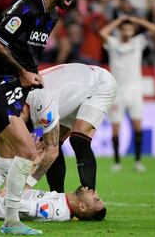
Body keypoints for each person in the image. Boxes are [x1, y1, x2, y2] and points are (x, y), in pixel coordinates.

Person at [0, 0, 81, 235]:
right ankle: (11, 221)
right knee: (28, 152)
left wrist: (31, 75)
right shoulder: (28, 7)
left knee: (6, 161)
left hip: (12, 89)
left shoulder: (51, 16)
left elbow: (26, 52)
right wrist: (23, 73)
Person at [21, 63, 117, 194]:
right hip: (72, 89)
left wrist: (26, 185)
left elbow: (51, 152)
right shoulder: (21, 95)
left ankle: (89, 200)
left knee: (78, 140)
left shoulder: (42, 101)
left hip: (99, 84)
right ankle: (57, 198)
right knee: (48, 144)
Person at [99, 16, 155, 172]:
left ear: (133, 31)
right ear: (120, 30)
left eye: (130, 29)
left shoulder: (138, 42)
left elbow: (153, 28)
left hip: (135, 91)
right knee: (116, 128)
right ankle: (117, 162)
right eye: (124, 29)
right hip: (117, 92)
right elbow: (102, 32)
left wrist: (135, 20)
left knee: (138, 127)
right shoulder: (113, 43)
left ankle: (138, 161)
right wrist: (119, 21)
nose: (127, 31)